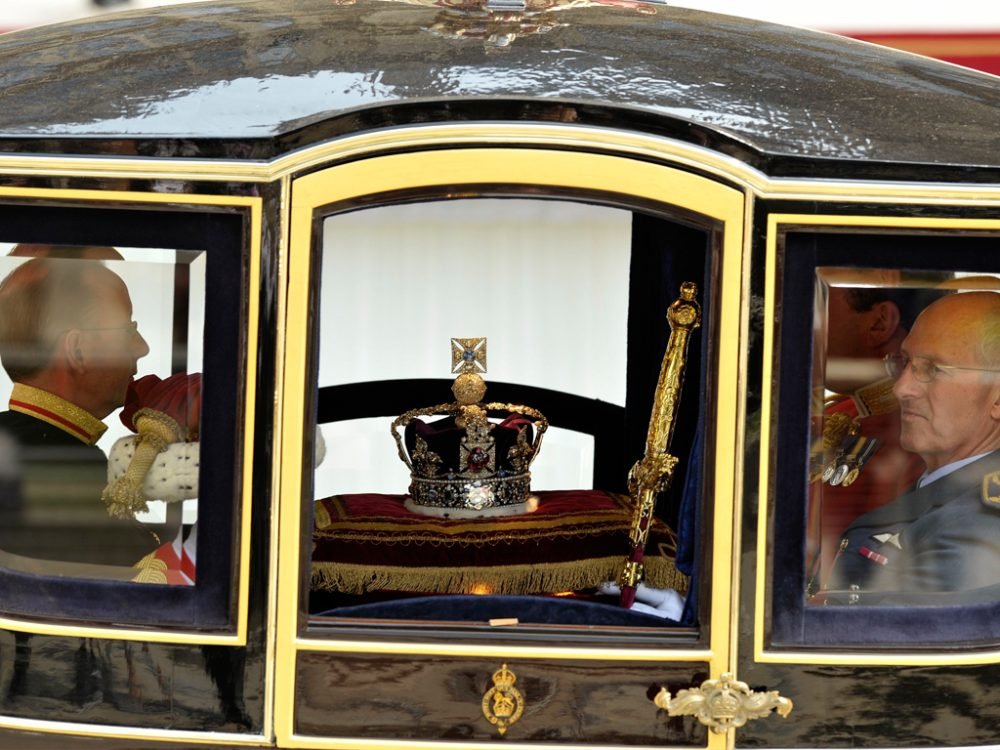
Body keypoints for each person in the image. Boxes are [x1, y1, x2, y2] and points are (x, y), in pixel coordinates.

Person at [826, 291, 1000, 603]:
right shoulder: (950, 490)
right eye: (905, 363)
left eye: (932, 369)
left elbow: (893, 642)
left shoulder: (978, 527)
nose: (901, 388)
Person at [0, 254, 156, 568]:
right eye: (127, 331)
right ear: (79, 351)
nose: (142, 347)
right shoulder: (64, 468)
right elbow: (156, 591)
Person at [807, 281, 938, 591]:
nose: (807, 325)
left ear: (879, 323)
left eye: (819, 308)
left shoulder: (921, 433)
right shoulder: (840, 414)